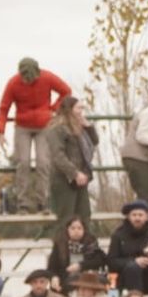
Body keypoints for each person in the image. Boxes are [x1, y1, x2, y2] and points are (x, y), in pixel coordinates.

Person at [0, 58, 72, 213]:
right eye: (26, 79)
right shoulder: (13, 83)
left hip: (44, 126)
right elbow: (4, 108)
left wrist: (54, 108)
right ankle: (23, 204)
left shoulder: (47, 77)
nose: (29, 81)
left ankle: (42, 202)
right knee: (22, 163)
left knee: (43, 162)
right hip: (22, 126)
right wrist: (0, 131)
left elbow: (66, 91)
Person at [45, 96, 98, 226]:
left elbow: (94, 141)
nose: (81, 111)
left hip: (81, 178)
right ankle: (62, 246)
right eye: (79, 108)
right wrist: (74, 173)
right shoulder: (57, 128)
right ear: (70, 110)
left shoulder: (79, 127)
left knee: (84, 216)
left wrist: (89, 126)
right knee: (66, 219)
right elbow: (58, 155)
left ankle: (85, 246)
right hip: (64, 179)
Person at [47, 216, 106, 293]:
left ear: (84, 230)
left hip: (87, 276)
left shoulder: (91, 242)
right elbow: (52, 267)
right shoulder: (60, 244)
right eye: (73, 228)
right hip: (65, 277)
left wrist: (80, 265)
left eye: (79, 228)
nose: (76, 231)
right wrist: (54, 277)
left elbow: (99, 260)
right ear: (67, 230)